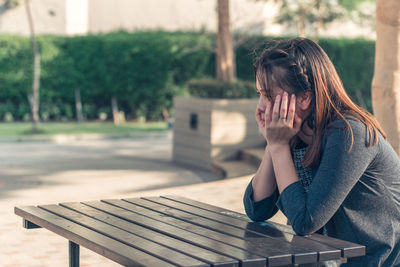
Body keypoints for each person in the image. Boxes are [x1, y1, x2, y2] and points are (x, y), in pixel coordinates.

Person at [243, 37, 400, 267]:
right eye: (259, 93)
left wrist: (278, 147)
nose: (260, 106)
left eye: (268, 95)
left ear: (304, 97)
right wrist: (273, 142)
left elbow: (305, 221)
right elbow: (257, 209)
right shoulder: (296, 132)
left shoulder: (349, 133)